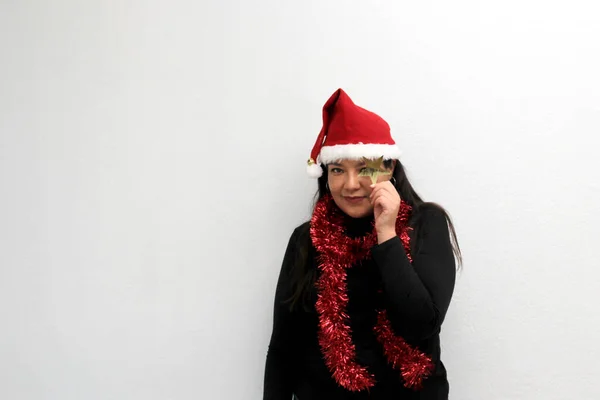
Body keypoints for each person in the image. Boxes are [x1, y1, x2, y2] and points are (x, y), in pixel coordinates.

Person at [264, 88, 462, 400]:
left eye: (364, 167)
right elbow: (283, 346)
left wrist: (387, 233)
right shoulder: (307, 238)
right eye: (338, 170)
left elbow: (421, 325)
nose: (351, 184)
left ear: (389, 168)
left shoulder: (426, 225)